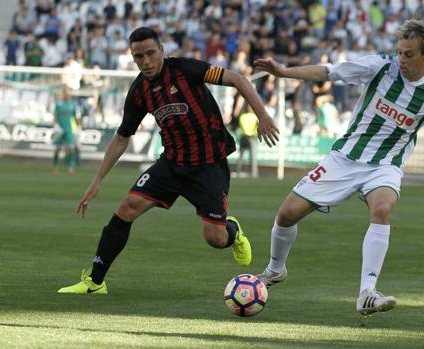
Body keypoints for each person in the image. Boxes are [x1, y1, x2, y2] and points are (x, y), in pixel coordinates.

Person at [253, 19, 424, 316]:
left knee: (382, 209)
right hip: (345, 158)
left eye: (409, 54)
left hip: (385, 165)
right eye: (399, 52)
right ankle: (275, 270)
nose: (402, 59)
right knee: (286, 214)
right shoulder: (380, 67)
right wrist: (284, 72)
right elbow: (330, 71)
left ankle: (367, 292)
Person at [58, 27, 279, 294]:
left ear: (161, 50)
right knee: (126, 208)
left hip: (208, 164)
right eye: (139, 56)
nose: (146, 61)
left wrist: (262, 116)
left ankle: (233, 231)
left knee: (215, 238)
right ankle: (95, 281)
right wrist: (97, 179)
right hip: (171, 164)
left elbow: (237, 79)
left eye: (151, 53)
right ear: (133, 57)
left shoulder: (186, 69)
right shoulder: (139, 91)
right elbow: (121, 137)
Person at [52, 87, 79, 176]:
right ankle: (55, 167)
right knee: (57, 149)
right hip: (60, 129)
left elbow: (75, 117)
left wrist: (78, 128)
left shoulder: (73, 104)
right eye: (66, 93)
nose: (68, 95)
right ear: (63, 94)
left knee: (71, 148)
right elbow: (55, 116)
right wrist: (56, 126)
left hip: (69, 130)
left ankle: (71, 169)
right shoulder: (59, 104)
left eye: (69, 93)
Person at [236, 110, 259, 178]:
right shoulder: (255, 117)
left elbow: (240, 126)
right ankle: (254, 173)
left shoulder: (242, 117)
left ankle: (238, 172)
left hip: (243, 137)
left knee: (241, 156)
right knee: (253, 157)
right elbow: (257, 125)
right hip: (252, 137)